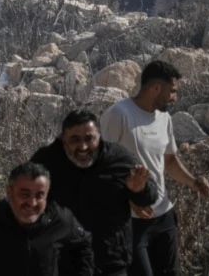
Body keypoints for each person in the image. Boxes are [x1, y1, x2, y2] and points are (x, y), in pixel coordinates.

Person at [100, 60, 209, 276]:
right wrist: (127, 198)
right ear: (155, 88)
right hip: (131, 221)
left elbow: (169, 161)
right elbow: (101, 167)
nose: (174, 98)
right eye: (172, 91)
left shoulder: (165, 119)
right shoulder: (118, 114)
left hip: (164, 215)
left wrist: (194, 182)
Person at [31, 110, 157, 276]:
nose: (83, 147)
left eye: (89, 139)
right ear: (63, 141)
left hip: (111, 262)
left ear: (99, 136)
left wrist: (138, 190)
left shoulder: (118, 158)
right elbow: (21, 195)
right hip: (63, 263)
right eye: (74, 140)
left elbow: (150, 196)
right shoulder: (46, 160)